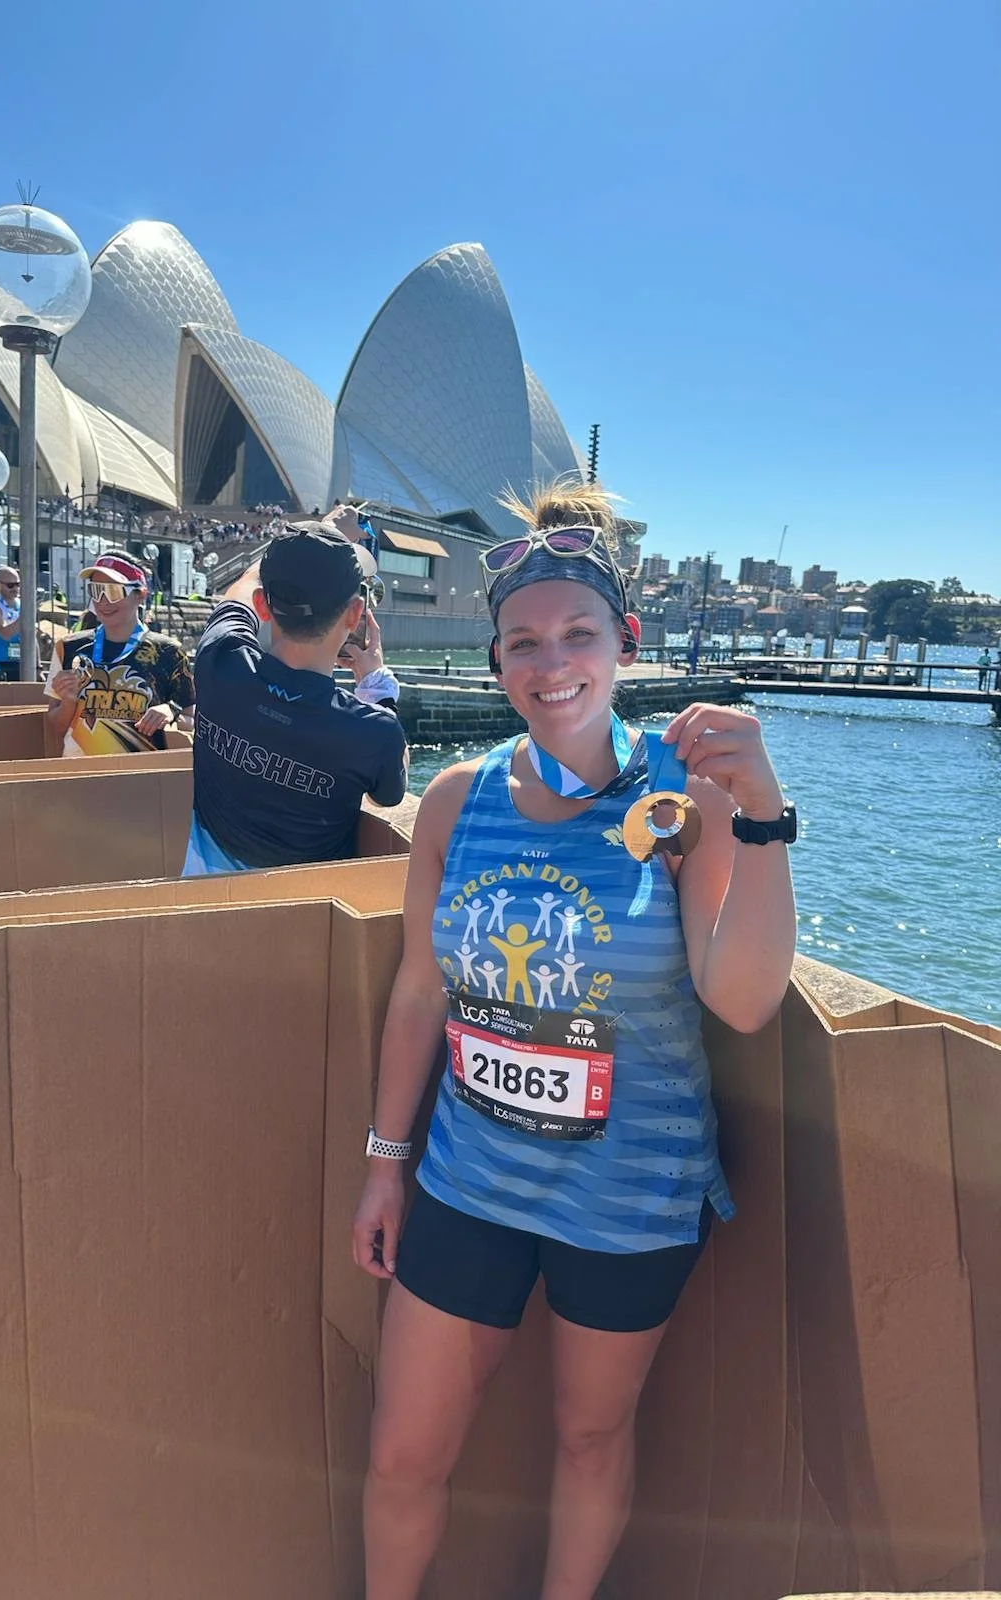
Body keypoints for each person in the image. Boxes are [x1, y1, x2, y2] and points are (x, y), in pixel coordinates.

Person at [350, 480, 796, 1600]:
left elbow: (739, 999)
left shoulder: (681, 797)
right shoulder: (455, 798)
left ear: (623, 643)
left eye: (578, 635)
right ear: (498, 660)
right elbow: (421, 988)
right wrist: (383, 1164)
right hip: (468, 1179)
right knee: (404, 1451)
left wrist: (763, 815)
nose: (553, 665)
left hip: (629, 1197)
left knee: (592, 1440)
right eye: (525, 643)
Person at [183, 519, 408, 875]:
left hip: (202, 894)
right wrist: (377, 688)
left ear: (263, 605)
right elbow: (389, 794)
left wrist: (313, 532)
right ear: (354, 614)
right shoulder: (372, 731)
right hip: (304, 913)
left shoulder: (219, 659)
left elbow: (244, 587)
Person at [44, 552, 195, 757]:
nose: (103, 601)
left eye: (114, 591)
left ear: (140, 595)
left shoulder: (169, 652)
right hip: (80, 775)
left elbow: (194, 722)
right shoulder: (68, 647)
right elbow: (55, 728)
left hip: (140, 777)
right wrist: (69, 701)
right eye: (96, 590)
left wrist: (171, 713)